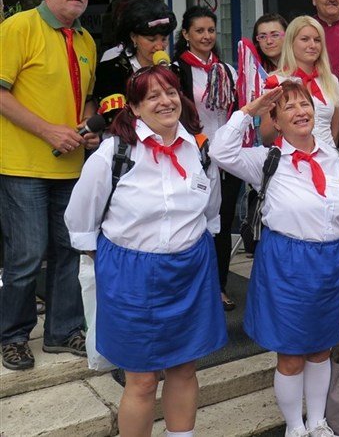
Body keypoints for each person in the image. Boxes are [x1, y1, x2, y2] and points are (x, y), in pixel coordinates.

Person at [64, 66, 227, 436]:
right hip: (131, 279)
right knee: (142, 379)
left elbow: (211, 214)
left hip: (189, 274)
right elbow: (80, 223)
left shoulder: (200, 152)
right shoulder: (114, 153)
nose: (165, 101)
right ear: (135, 108)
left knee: (185, 368)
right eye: (152, 96)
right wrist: (113, 271)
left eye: (170, 92)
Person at [210, 80, 339, 437]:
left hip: (330, 263)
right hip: (286, 264)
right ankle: (295, 427)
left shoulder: (334, 157)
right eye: (288, 107)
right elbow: (220, 151)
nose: (300, 112)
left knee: (322, 348)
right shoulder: (267, 160)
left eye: (304, 104)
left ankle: (318, 421)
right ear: (275, 121)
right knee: (292, 354)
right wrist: (249, 111)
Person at [0, 0, 98, 371]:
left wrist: (89, 127)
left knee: (69, 251)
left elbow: (87, 98)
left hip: (71, 166)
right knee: (25, 256)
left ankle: (61, 331)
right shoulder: (18, 27)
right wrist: (48, 131)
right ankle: (13, 336)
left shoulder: (86, 37)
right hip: (23, 165)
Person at [173, 5, 240, 312]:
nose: (206, 36)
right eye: (198, 30)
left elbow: (236, 112)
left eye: (211, 30)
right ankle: (192, 288)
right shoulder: (175, 70)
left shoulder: (226, 70)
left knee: (223, 223)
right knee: (192, 223)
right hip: (192, 158)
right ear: (185, 34)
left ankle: (219, 285)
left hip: (225, 158)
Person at [275, 16, 339, 148]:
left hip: (329, 158)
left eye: (317, 40)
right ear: (290, 42)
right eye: (305, 39)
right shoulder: (276, 81)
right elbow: (268, 134)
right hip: (292, 161)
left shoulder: (331, 80)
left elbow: (335, 126)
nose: (312, 45)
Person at [94, 0, 176, 102]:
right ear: (133, 37)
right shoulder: (110, 72)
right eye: (151, 40)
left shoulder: (175, 71)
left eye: (164, 39)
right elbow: (114, 115)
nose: (159, 47)